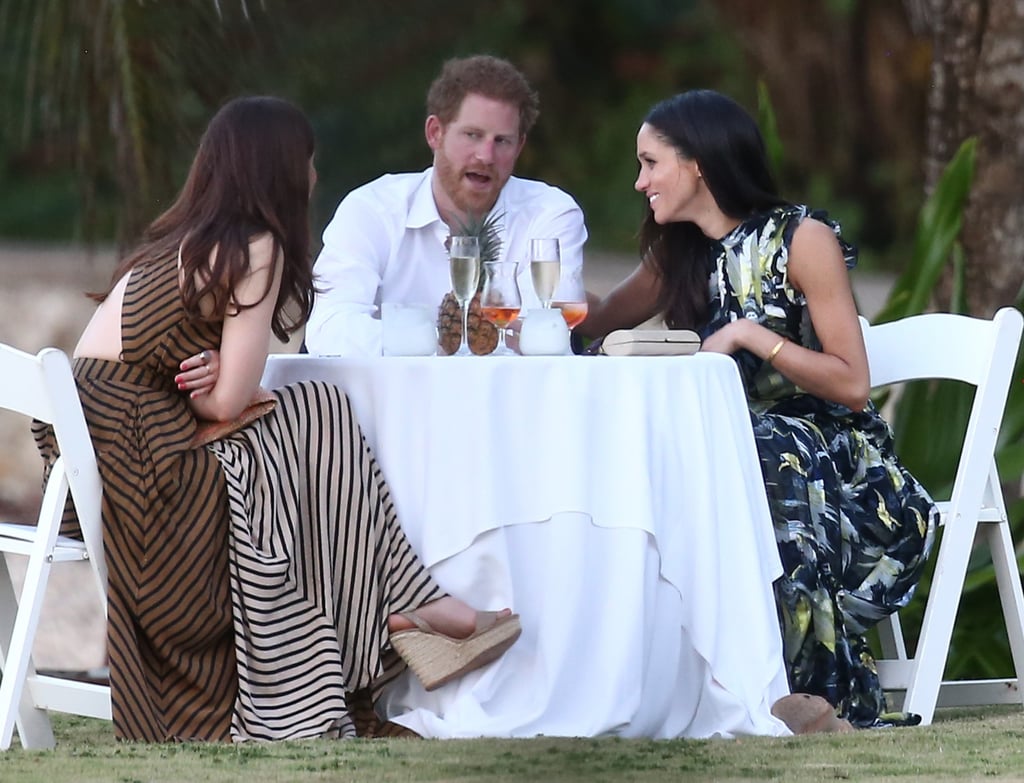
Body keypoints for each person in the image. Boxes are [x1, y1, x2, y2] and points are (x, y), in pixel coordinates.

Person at [33, 96, 520, 743]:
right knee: (317, 411)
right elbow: (227, 401)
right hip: (153, 491)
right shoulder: (251, 245)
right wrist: (232, 392)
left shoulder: (176, 244)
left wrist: (226, 389)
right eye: (309, 162)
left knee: (311, 412)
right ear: (282, 171)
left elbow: (204, 392)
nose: (315, 177)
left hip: (106, 464)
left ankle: (408, 603)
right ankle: (404, 605)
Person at [578, 89, 938, 730]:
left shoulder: (803, 239)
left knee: (758, 447)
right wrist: (536, 299)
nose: (640, 182)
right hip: (735, 452)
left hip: (840, 470)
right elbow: (591, 327)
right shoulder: (680, 255)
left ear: (697, 165)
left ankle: (819, 695)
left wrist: (755, 336)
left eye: (650, 163)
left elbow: (853, 383)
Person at [303, 54, 588, 356]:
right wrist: (439, 344)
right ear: (434, 133)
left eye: (502, 141)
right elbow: (329, 327)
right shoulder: (372, 209)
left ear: (519, 146)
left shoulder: (549, 213)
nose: (486, 156)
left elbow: (544, 334)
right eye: (472, 135)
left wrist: (405, 337)